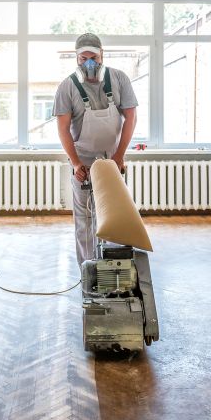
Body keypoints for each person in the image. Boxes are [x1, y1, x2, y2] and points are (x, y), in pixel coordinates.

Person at [53, 32, 138, 267]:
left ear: (102, 55)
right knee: (85, 219)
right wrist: (76, 163)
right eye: (83, 58)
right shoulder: (67, 87)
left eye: (94, 57)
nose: (89, 63)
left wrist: (119, 156)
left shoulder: (119, 79)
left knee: (115, 216)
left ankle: (114, 270)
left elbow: (130, 118)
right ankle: (88, 270)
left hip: (113, 161)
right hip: (84, 162)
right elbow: (63, 129)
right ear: (76, 59)